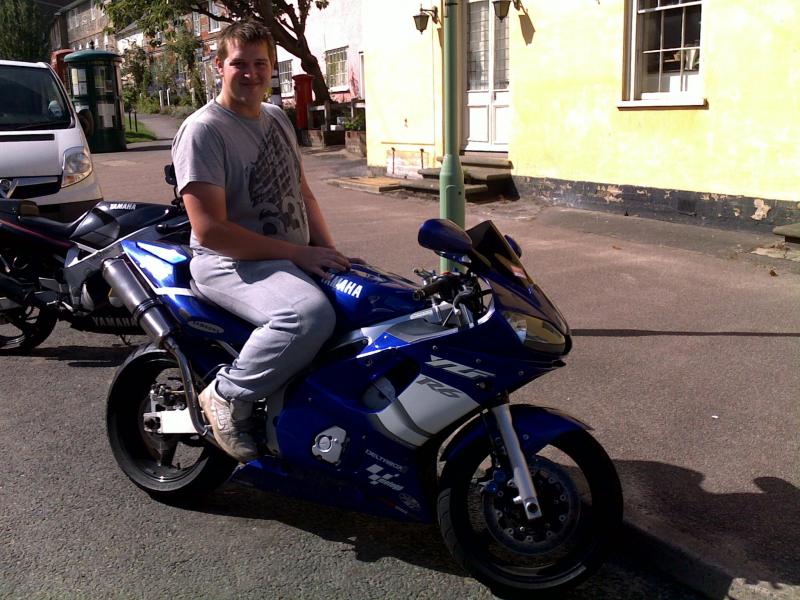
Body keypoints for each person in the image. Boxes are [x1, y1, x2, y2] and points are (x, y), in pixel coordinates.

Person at [171, 20, 350, 463]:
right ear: (218, 66)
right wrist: (298, 253)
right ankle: (227, 395)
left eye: (260, 63)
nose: (251, 73)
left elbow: (302, 193)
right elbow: (210, 230)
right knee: (305, 316)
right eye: (239, 63)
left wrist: (330, 253)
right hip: (229, 263)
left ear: (272, 67)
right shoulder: (204, 131)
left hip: (286, 258)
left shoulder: (276, 118)